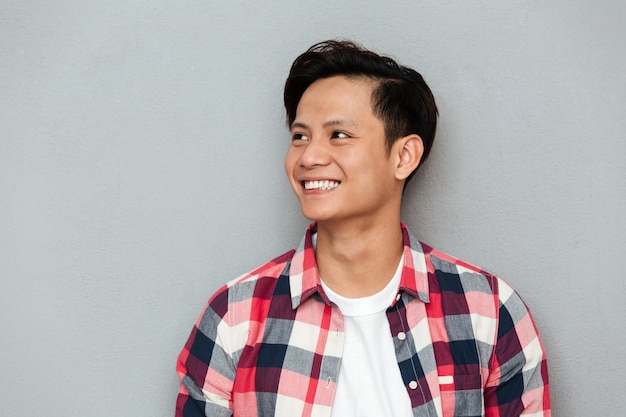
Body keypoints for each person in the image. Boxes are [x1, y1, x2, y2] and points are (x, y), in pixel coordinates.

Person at [175, 40, 551, 417]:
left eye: (338, 135)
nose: (308, 157)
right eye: (300, 136)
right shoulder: (233, 316)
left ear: (403, 156)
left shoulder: (489, 311)